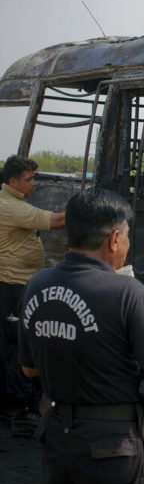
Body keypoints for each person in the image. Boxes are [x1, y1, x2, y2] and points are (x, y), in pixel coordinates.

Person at [18, 188, 144, 484]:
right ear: (115, 238)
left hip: (58, 438)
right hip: (112, 447)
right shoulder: (127, 292)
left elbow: (29, 369)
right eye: (127, 236)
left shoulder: (36, 285)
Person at [0, 155, 65, 405]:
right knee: (18, 346)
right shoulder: (11, 207)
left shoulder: (12, 200)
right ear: (14, 181)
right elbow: (56, 221)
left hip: (17, 282)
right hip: (12, 285)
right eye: (28, 180)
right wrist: (87, 208)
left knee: (13, 343)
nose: (34, 184)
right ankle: (18, 406)